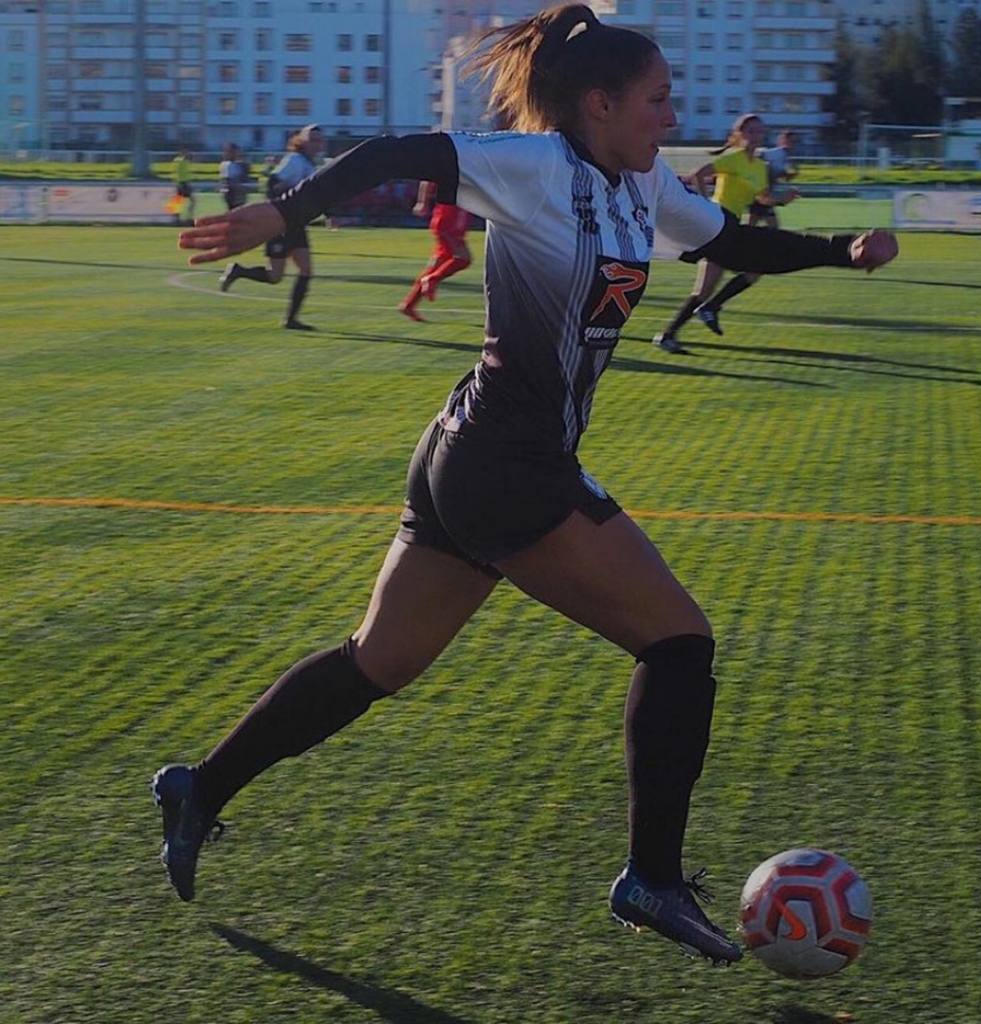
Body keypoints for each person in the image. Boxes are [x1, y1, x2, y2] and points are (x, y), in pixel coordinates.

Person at [160, 3, 897, 966]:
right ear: (599, 103)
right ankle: (652, 878)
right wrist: (285, 211)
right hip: (506, 463)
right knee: (678, 642)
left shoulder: (643, 185)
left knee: (377, 662)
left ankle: (200, 788)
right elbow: (398, 151)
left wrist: (839, 250)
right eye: (658, 99)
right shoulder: (534, 166)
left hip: (475, 452)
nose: (672, 117)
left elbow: (729, 241)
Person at [652, 113, 798, 352]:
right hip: (719, 222)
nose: (756, 135)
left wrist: (783, 199)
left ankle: (669, 335)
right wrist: (705, 206)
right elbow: (698, 174)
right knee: (758, 266)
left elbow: (763, 198)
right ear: (740, 135)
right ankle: (709, 309)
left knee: (706, 289)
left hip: (730, 227)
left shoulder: (760, 167)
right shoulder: (734, 159)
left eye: (759, 131)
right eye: (751, 131)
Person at [218, 125, 326, 331]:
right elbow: (272, 183)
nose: (316, 143)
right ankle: (238, 271)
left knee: (306, 270)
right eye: (312, 139)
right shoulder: (294, 160)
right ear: (302, 141)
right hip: (280, 224)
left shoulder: (310, 164)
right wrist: (280, 210)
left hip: (296, 224)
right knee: (275, 276)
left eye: (319, 140)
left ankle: (291, 320)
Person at [399, 179, 474, 322]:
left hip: (453, 221)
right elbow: (429, 180)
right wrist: (422, 203)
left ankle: (408, 305)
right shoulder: (460, 168)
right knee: (464, 258)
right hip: (449, 223)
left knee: (438, 264)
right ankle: (432, 279)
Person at [748, 128, 800, 230]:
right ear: (782, 141)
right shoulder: (776, 153)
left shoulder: (786, 158)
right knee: (773, 226)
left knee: (753, 223)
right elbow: (758, 157)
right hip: (760, 193)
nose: (793, 144)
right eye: (790, 141)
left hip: (765, 194)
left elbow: (782, 177)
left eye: (795, 142)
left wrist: (792, 174)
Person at [219, 142, 249, 212]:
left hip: (238, 192)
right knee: (234, 211)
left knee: (240, 211)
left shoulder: (239, 164)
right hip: (231, 192)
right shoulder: (226, 164)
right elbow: (226, 179)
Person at [171, 149, 196, 224]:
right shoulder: (180, 161)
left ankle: (178, 217)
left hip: (183, 183)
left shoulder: (183, 161)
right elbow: (177, 172)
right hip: (182, 183)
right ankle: (185, 217)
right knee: (188, 201)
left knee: (178, 201)